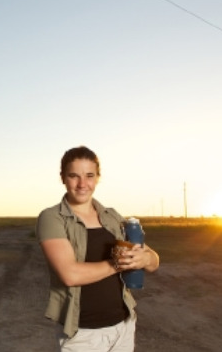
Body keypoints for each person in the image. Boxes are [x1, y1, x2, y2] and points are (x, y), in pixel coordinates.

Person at [36, 146, 160, 352]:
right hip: (83, 334)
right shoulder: (52, 218)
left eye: (89, 175)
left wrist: (145, 260)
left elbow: (154, 259)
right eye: (74, 176)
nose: (82, 184)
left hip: (123, 326)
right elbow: (70, 275)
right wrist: (119, 263)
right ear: (63, 178)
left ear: (98, 178)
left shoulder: (112, 216)